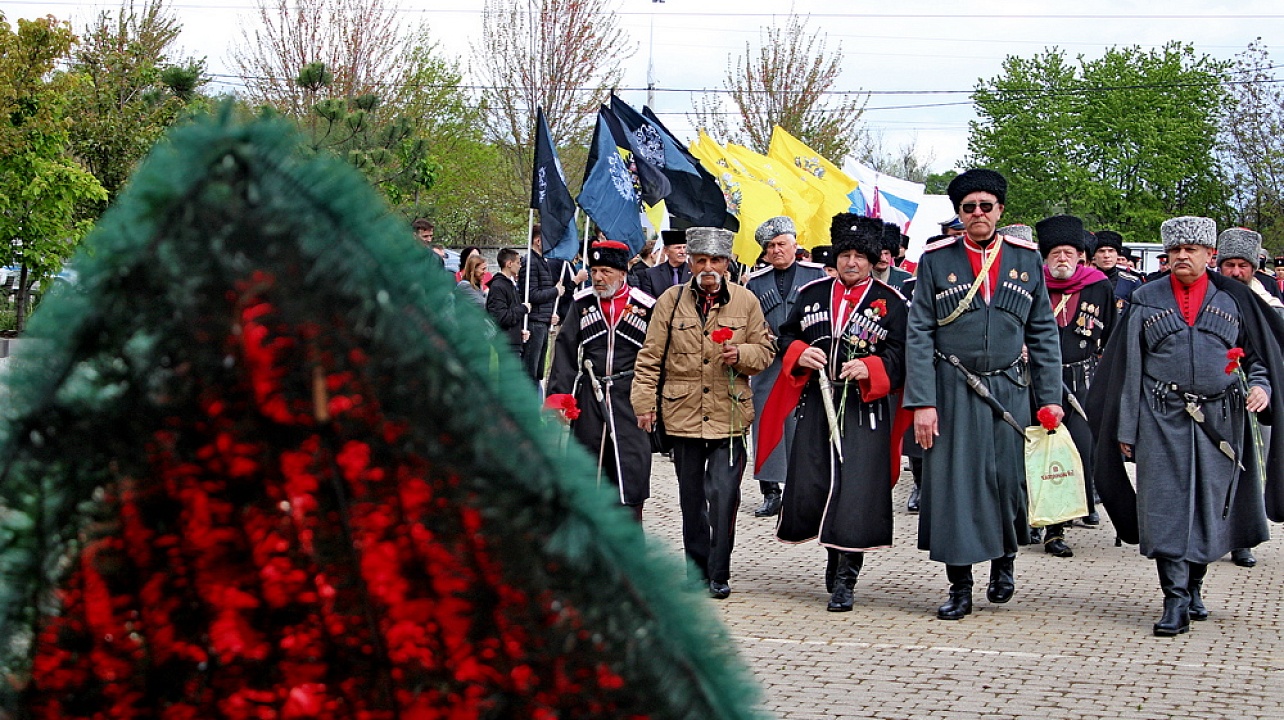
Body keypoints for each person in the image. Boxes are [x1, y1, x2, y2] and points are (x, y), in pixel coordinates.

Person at [1090, 216, 1284, 636]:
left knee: (1210, 507)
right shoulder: (1145, 298)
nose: (1182, 256)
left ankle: (1194, 586)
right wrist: (1127, 429)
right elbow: (1128, 369)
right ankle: (1174, 598)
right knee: (1165, 508)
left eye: (1191, 250)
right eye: (1175, 251)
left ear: (1208, 255)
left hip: (1223, 421)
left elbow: (1257, 359)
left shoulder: (1235, 299)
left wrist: (1263, 389)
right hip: (1161, 417)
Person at [904, 168, 1064, 621]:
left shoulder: (1026, 257)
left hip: (1011, 388)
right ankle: (960, 586)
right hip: (953, 388)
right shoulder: (936, 259)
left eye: (986, 207)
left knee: (1008, 482)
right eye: (969, 207)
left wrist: (1049, 397)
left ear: (999, 211)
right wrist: (923, 402)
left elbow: (1044, 332)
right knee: (956, 488)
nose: (978, 214)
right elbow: (919, 333)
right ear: (959, 213)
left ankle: (1004, 564)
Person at [757, 214, 908, 612]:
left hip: (865, 408)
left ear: (874, 260)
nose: (852, 262)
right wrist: (799, 353)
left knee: (856, 491)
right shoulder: (811, 294)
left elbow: (901, 354)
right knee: (818, 484)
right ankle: (832, 551)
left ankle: (847, 577)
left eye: (860, 256)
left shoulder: (893, 303)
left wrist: (872, 368)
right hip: (816, 403)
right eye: (845, 255)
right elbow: (786, 336)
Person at [631, 227, 774, 599]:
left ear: (727, 263)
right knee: (691, 497)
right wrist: (645, 404)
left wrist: (741, 355)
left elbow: (765, 352)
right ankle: (695, 568)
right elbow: (650, 357)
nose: (708, 268)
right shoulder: (671, 300)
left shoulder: (746, 302)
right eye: (701, 260)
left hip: (729, 416)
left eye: (715, 260)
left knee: (724, 494)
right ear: (691, 262)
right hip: (683, 414)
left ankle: (719, 569)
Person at [547, 240, 656, 520]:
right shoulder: (581, 304)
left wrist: (654, 399)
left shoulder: (645, 306)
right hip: (590, 397)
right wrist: (560, 397)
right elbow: (565, 348)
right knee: (587, 467)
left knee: (630, 471)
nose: (598, 277)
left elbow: (658, 355)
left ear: (622, 273)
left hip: (631, 396)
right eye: (594, 270)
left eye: (605, 271)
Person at [1034, 214, 1116, 556]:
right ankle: (1039, 520)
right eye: (1055, 254)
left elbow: (1111, 336)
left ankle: (1061, 524)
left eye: (1068, 252)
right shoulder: (1032, 284)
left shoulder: (1099, 285)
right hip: (1037, 380)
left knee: (1079, 451)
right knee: (1039, 452)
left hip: (1081, 381)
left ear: (1080, 254)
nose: (1062, 259)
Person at [744, 216, 827, 517]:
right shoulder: (755, 282)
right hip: (769, 364)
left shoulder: (817, 275)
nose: (777, 250)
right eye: (771, 246)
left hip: (807, 363)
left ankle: (802, 488)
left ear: (795, 245)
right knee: (767, 423)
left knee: (804, 426)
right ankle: (770, 490)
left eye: (782, 244)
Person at [1215, 226, 1284, 569]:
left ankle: (1243, 538)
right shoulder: (1210, 299)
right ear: (1219, 264)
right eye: (1230, 265)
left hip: (1253, 401)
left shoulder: (1269, 306)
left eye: (1243, 265)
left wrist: (1264, 387)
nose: (1236, 272)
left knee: (1251, 472)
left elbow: (1270, 358)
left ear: (1254, 268)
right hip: (1211, 400)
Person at [517, 223, 564, 383]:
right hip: (533, 323)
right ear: (538, 240)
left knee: (538, 372)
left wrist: (550, 314)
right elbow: (531, 294)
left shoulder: (542, 261)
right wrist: (555, 291)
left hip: (542, 321)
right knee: (529, 371)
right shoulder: (530, 262)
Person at [486, 247, 531, 353]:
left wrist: (519, 333)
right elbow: (502, 317)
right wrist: (523, 308)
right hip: (506, 344)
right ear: (509, 264)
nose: (520, 266)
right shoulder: (498, 286)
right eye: (518, 263)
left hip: (513, 342)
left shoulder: (510, 284)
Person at [1092, 230, 1142, 311]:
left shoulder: (1132, 282)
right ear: (1094, 255)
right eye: (1101, 251)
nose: (1106, 255)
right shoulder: (1086, 281)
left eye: (1111, 251)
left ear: (1117, 254)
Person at [637, 229, 691, 300]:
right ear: (665, 250)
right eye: (678, 248)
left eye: (684, 247)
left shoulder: (694, 272)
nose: (682, 252)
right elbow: (649, 302)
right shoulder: (651, 274)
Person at [874, 222, 912, 291]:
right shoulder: (862, 276)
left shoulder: (905, 278)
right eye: (879, 253)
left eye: (886, 253)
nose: (883, 258)